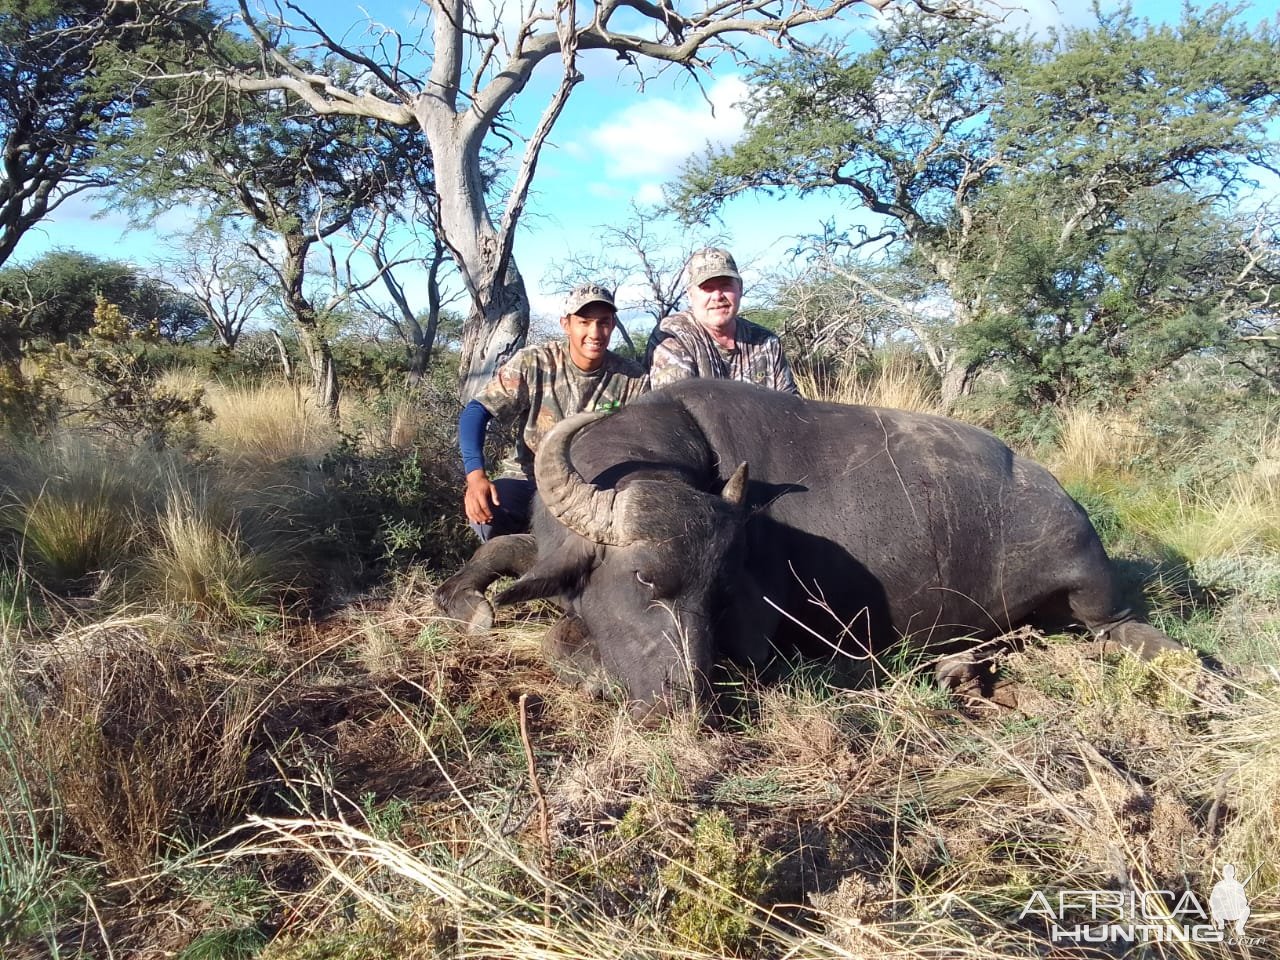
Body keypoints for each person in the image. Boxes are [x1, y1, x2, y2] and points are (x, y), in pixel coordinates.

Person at [457, 282, 648, 541]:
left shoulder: (633, 379)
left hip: (596, 488)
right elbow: (476, 412)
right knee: (488, 512)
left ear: (613, 324)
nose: (595, 332)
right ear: (566, 325)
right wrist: (475, 475)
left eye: (603, 322)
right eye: (584, 322)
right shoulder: (535, 362)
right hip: (530, 480)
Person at [645, 247, 799, 394]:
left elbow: (791, 409)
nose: (718, 296)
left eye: (725, 285)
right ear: (690, 295)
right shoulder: (672, 337)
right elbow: (677, 412)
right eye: (707, 288)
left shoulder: (766, 342)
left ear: (740, 288)